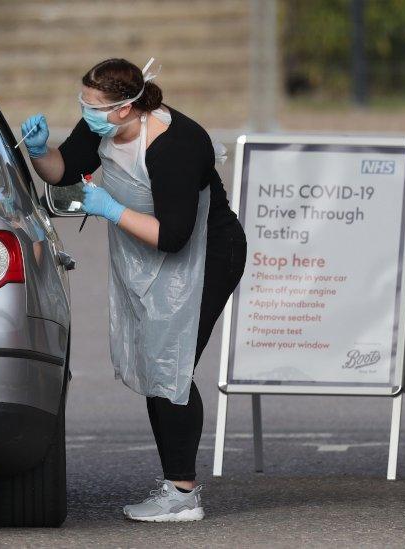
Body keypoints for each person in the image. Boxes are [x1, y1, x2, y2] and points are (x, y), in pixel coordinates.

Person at [19, 58, 246, 522]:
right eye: (83, 101)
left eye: (94, 104)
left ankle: (182, 494)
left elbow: (174, 235)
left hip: (206, 254)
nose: (86, 110)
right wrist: (40, 152)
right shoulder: (102, 127)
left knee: (171, 364)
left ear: (125, 108)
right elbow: (64, 170)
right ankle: (174, 485)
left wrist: (108, 206)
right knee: (153, 361)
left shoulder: (177, 144)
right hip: (148, 255)